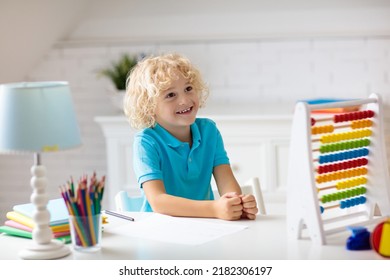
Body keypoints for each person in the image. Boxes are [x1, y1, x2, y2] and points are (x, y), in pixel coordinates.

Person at [123, 53, 258, 220]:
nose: (185, 100)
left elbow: (226, 182)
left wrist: (236, 204)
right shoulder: (146, 142)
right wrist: (215, 209)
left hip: (205, 228)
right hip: (160, 231)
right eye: (171, 95)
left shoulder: (209, 131)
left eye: (188, 88)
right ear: (149, 106)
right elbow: (158, 201)